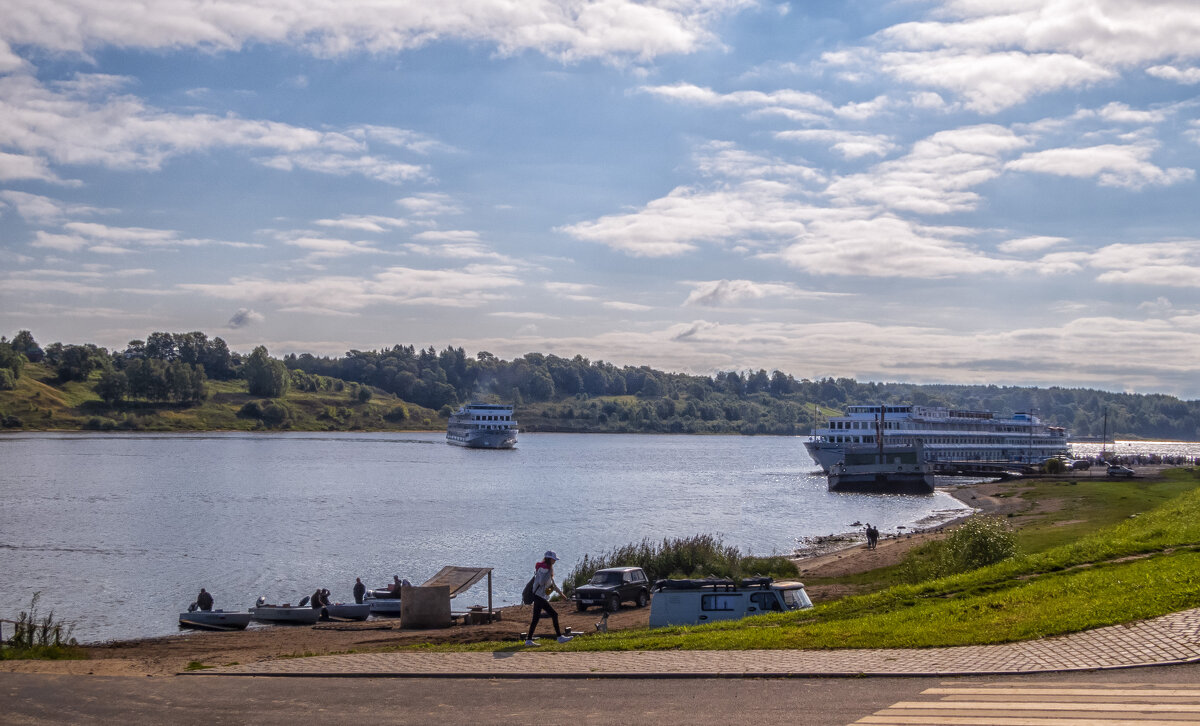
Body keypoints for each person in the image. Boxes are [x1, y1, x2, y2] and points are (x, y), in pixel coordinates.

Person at [525, 550, 572, 646]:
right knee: (554, 615)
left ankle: (528, 640)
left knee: (536, 618)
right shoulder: (544, 569)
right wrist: (549, 572)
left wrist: (562, 595)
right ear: (550, 559)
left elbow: (552, 585)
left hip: (539, 596)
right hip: (539, 596)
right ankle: (559, 637)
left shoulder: (546, 568)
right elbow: (542, 582)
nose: (555, 561)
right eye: (554, 559)